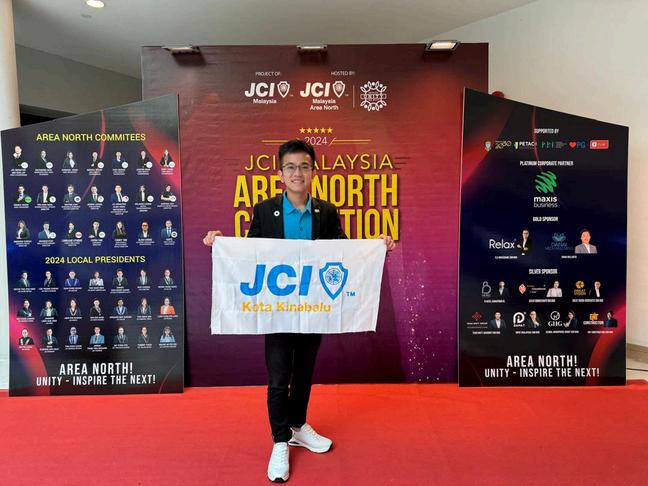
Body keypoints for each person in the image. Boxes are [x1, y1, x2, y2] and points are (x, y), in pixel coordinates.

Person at [202, 139, 395, 483]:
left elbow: (343, 251)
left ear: (313, 172)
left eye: (304, 167)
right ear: (281, 174)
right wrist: (221, 243)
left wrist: (377, 247)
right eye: (290, 167)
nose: (297, 173)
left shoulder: (326, 211)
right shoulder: (265, 210)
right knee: (279, 377)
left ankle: (297, 426)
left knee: (304, 372)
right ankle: (280, 441)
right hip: (277, 309)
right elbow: (251, 252)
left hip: (313, 307)